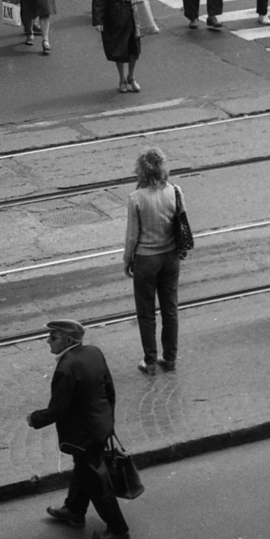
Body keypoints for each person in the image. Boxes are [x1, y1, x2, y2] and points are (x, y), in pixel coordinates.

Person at [27, 319, 130, 539]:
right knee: (85, 470)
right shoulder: (94, 352)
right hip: (100, 427)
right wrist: (108, 420)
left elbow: (58, 409)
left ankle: (119, 530)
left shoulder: (66, 368)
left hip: (82, 436)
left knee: (97, 483)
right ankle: (74, 510)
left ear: (68, 340)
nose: (47, 341)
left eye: (53, 337)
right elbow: (109, 389)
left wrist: (35, 419)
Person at [122, 147, 180, 372]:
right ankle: (170, 358)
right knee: (170, 308)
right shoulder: (175, 191)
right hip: (170, 256)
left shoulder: (136, 198)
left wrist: (127, 260)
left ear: (141, 170)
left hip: (146, 260)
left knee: (146, 312)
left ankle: (150, 360)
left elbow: (132, 235)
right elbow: (180, 223)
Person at [92, 0, 148, 93]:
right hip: (115, 18)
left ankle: (131, 76)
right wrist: (98, 21)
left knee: (134, 49)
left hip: (132, 17)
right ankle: (122, 78)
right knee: (119, 49)